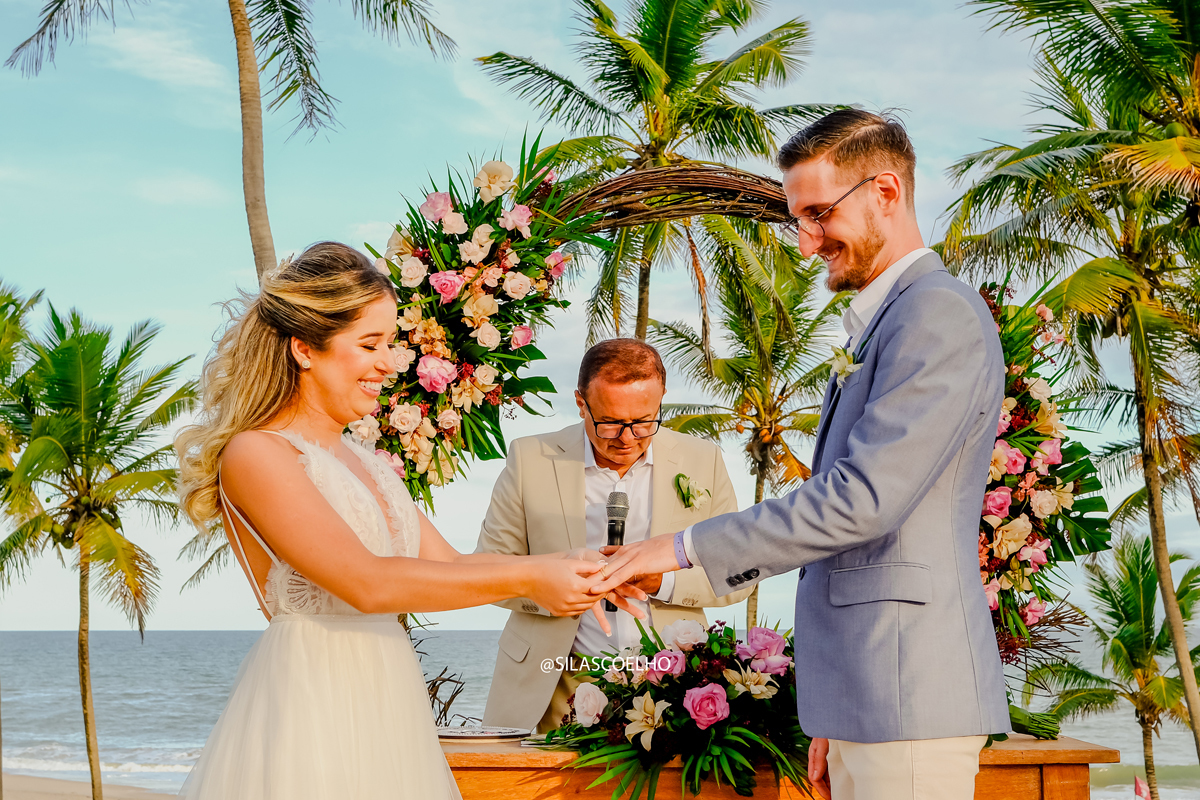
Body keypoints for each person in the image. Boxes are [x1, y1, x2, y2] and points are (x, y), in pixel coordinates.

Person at [591, 110, 1010, 800]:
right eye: (798, 220)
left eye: (819, 213)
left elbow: (861, 502)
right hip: (871, 697)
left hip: (907, 697)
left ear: (885, 193)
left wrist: (679, 547)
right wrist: (835, 711)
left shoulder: (935, 313)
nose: (808, 241)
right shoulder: (891, 318)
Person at [173, 242, 643, 800]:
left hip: (389, 699)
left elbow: (452, 566)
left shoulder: (366, 459)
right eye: (368, 344)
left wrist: (574, 565)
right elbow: (366, 582)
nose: (386, 362)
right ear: (304, 348)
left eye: (389, 343)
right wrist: (531, 578)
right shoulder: (257, 453)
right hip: (312, 699)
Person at [475, 339, 753, 733]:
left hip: (674, 690)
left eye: (644, 421)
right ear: (580, 402)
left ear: (661, 401)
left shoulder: (702, 461)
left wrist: (663, 581)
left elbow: (738, 573)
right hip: (553, 685)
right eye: (609, 422)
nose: (627, 438)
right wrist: (557, 585)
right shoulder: (529, 458)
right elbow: (489, 570)